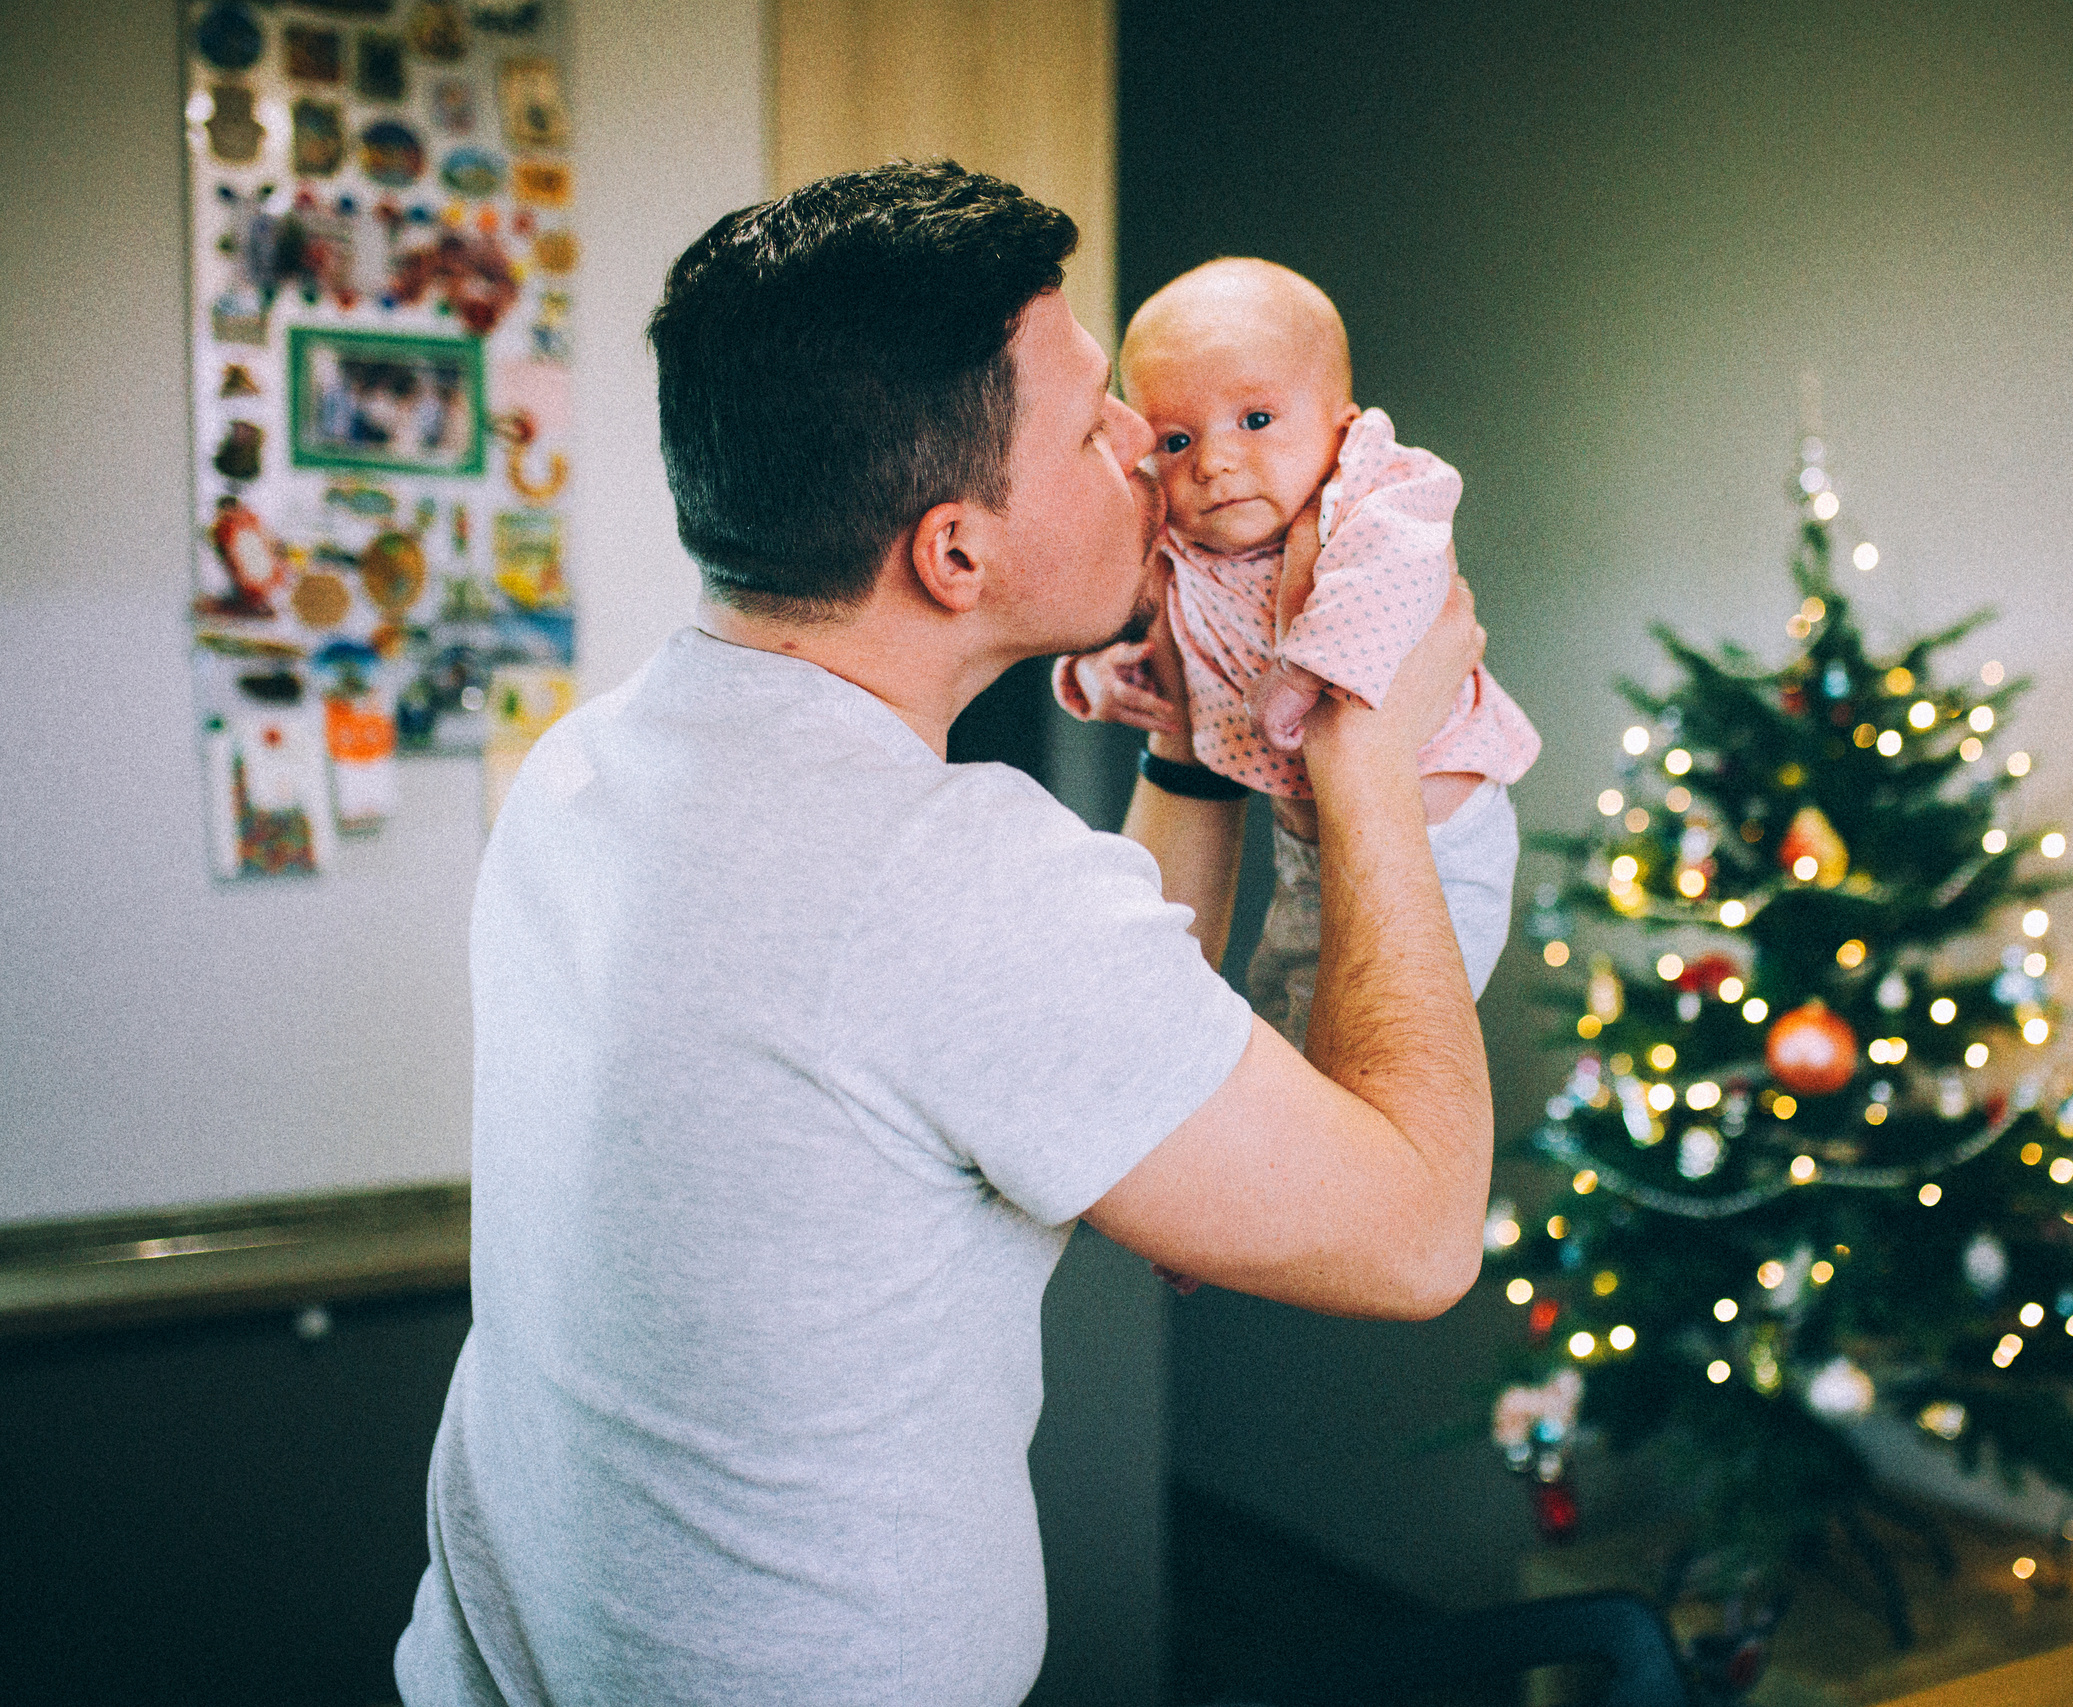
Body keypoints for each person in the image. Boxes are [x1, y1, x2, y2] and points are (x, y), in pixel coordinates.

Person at [393, 161, 1495, 1706]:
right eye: (1100, 418)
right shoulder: (942, 875)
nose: (1145, 452)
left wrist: (1190, 757)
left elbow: (1077, 1027)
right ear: (955, 551)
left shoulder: (591, 764)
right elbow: (1421, 1229)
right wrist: (1368, 753)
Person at [1053, 259, 1538, 1046]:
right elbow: (1121, 616)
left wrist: (1305, 667)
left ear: (1343, 423)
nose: (1212, 462)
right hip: (1307, 837)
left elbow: (1403, 572)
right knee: (1284, 1006)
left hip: (1437, 838)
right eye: (1176, 440)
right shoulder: (1180, 543)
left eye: (1254, 421)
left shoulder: (1373, 495)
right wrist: (1098, 675)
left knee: (1384, 1046)